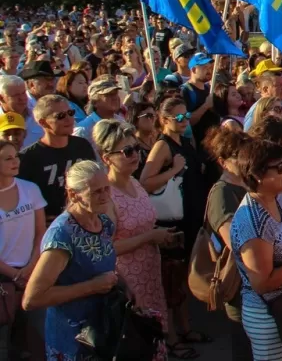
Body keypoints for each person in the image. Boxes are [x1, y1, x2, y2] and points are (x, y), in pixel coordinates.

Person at [93, 119, 175, 360]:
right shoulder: (106, 196)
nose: (134, 155)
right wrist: (151, 236)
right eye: (127, 151)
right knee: (136, 343)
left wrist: (159, 236)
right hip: (127, 282)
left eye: (136, 149)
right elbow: (107, 248)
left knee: (153, 338)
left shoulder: (135, 182)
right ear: (107, 158)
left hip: (150, 272)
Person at [22, 161, 119, 358]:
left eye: (106, 189)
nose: (105, 196)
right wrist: (92, 286)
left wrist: (128, 288)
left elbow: (105, 260)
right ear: (74, 195)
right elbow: (32, 299)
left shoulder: (103, 222)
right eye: (96, 192)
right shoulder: (62, 236)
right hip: (73, 339)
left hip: (102, 329)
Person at [139, 97, 211, 347]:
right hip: (174, 221)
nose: (185, 120)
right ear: (164, 120)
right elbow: (145, 181)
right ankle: (171, 336)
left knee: (181, 279)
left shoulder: (185, 140)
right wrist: (173, 170)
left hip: (192, 215)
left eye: (186, 115)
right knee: (172, 280)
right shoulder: (163, 146)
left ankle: (185, 327)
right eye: (178, 118)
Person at [229, 140, 282, 361]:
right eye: (280, 168)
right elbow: (261, 283)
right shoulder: (252, 222)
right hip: (270, 317)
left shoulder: (275, 199)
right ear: (257, 175)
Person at [202, 126, 253, 358]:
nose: (245, 159)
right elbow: (236, 242)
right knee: (244, 344)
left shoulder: (247, 183)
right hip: (239, 283)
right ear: (223, 162)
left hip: (255, 280)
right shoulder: (222, 193)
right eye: (238, 156)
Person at [0, 138, 46, 359]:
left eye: (15, 156)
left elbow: (41, 232)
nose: (14, 161)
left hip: (33, 273)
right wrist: (14, 274)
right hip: (4, 280)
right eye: (7, 158)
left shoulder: (30, 189)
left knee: (35, 340)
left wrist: (30, 267)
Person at [19, 95, 97, 222]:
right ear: (43, 122)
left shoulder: (82, 146)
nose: (69, 119)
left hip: (85, 218)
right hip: (49, 224)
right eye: (60, 116)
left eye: (70, 113)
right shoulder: (28, 158)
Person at [72, 76, 124, 148]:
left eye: (115, 93)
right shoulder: (83, 130)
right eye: (108, 95)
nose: (115, 97)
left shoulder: (120, 120)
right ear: (95, 102)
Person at [180, 53, 219, 144]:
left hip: (213, 143)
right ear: (194, 69)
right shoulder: (185, 91)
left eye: (210, 68)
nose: (209, 71)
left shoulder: (209, 89)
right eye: (205, 68)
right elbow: (186, 122)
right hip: (197, 143)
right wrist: (205, 106)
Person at [0, 76, 43, 149]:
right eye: (16, 95)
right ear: (1, 98)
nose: (22, 98)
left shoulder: (39, 113)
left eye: (23, 93)